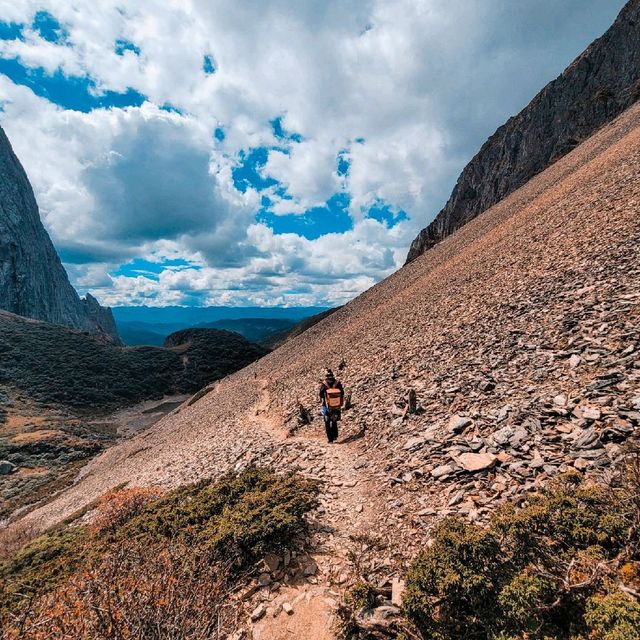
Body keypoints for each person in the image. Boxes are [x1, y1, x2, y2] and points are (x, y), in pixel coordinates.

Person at [319, 368, 344, 443]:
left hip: (326, 405)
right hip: (336, 405)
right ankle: (335, 435)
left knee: (327, 421)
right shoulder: (337, 382)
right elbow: (342, 393)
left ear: (326, 376)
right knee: (334, 420)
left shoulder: (324, 383)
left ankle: (330, 439)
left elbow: (320, 394)